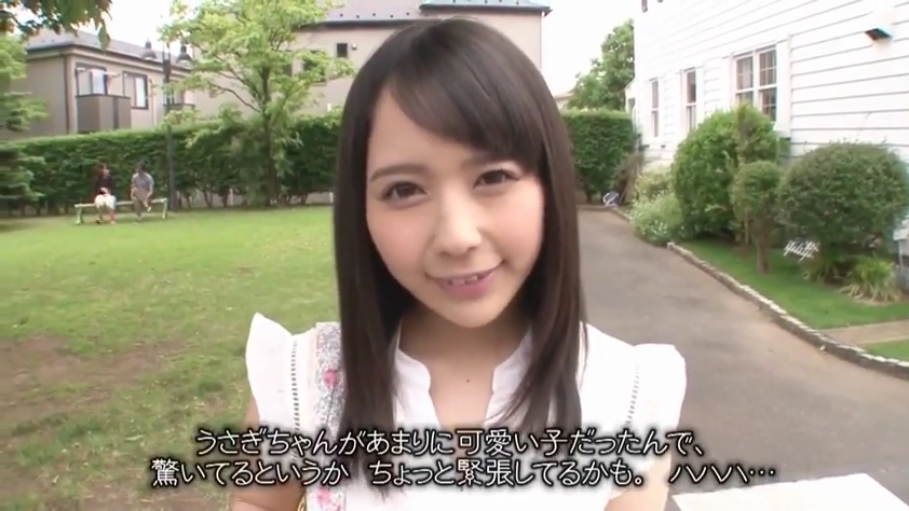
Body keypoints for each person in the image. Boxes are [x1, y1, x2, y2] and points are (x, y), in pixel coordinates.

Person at [234, 18, 687, 511]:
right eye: (404, 190)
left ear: (548, 185)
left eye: (492, 177)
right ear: (360, 211)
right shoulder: (299, 385)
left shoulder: (629, 393)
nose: (456, 236)